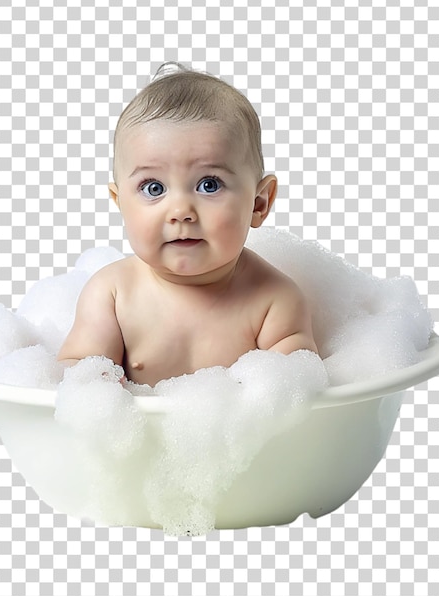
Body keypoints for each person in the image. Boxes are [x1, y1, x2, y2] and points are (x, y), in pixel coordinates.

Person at [58, 63, 317, 386]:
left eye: (209, 184)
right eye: (154, 188)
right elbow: (74, 372)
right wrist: (94, 381)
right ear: (120, 202)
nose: (181, 211)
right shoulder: (112, 294)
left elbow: (298, 396)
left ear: (259, 203)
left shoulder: (274, 302)